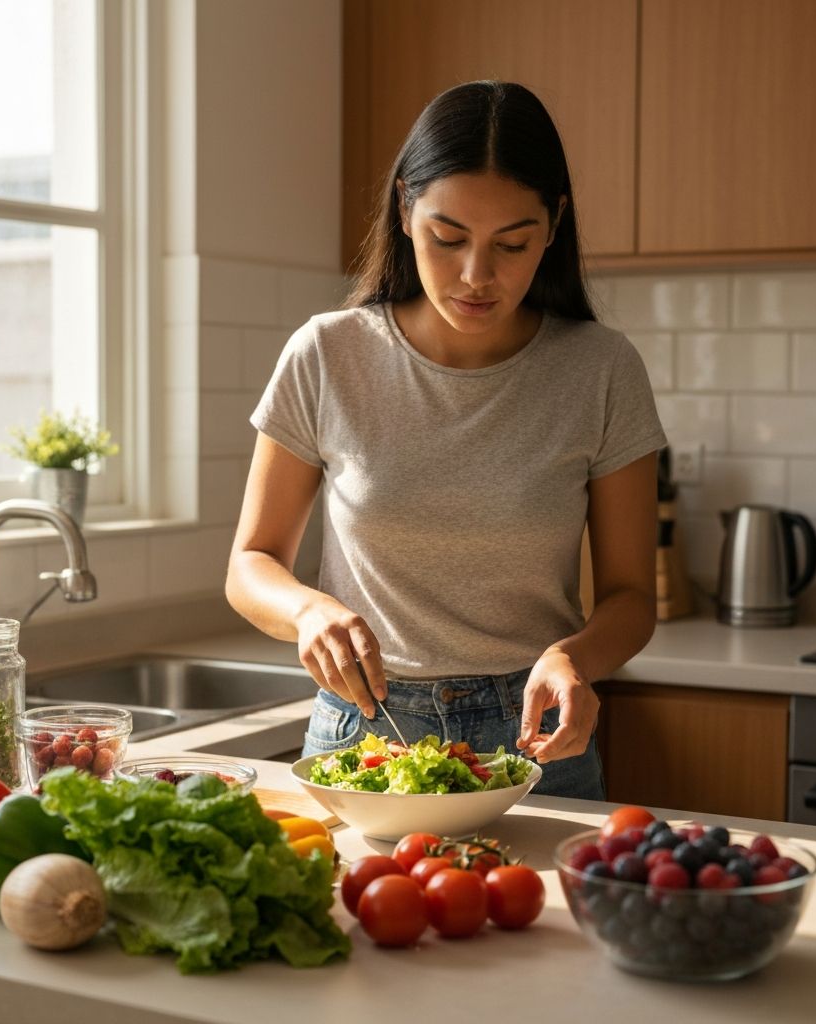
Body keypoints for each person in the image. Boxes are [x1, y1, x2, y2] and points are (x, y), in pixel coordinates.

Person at [225, 80, 666, 798]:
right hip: (365, 738)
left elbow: (629, 597)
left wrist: (574, 659)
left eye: (512, 243)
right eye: (448, 236)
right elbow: (250, 563)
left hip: (536, 742)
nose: (476, 276)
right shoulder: (327, 355)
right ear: (405, 209)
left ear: (553, 225)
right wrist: (308, 610)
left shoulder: (602, 369)